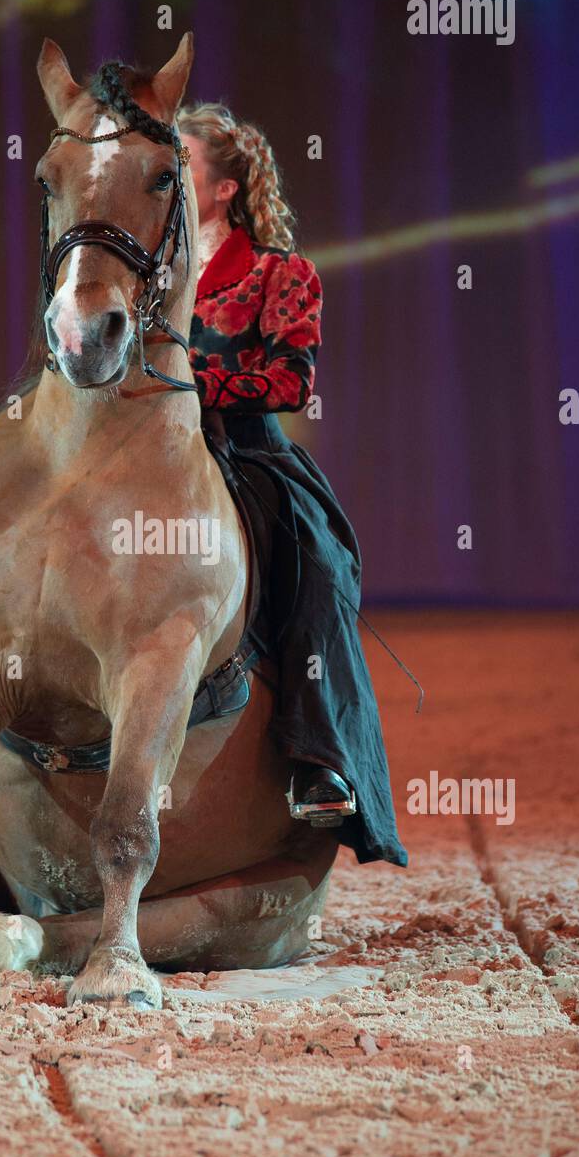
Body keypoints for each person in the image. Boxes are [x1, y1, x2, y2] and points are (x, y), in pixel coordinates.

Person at [178, 102, 406, 867]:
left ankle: (317, 759)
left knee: (313, 564)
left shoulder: (282, 273)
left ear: (224, 190)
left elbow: (288, 382)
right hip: (143, 455)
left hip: (246, 456)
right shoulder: (143, 274)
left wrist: (185, 383)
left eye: (180, 162)